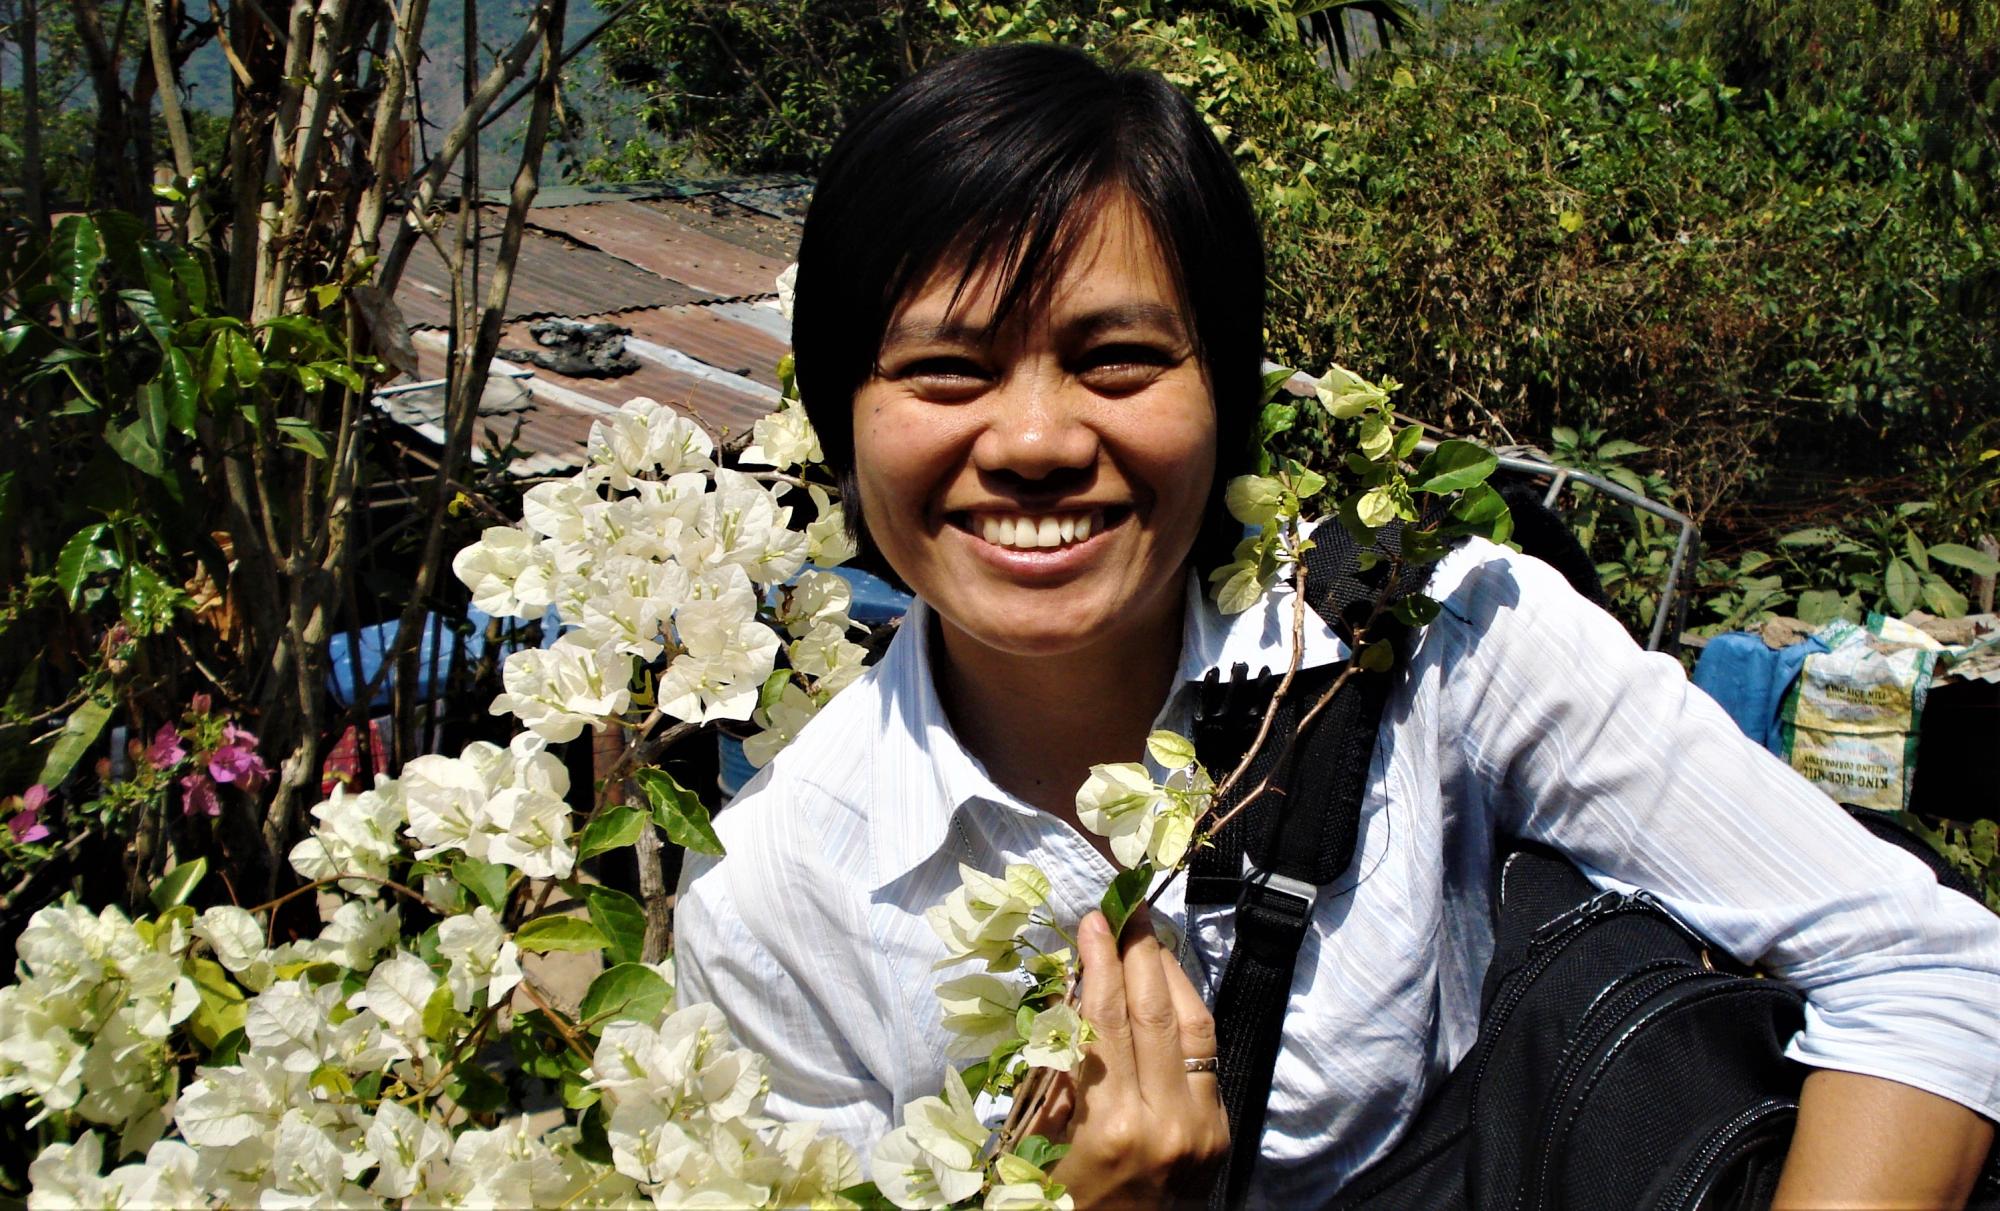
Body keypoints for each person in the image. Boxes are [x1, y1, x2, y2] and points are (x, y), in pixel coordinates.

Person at [674, 42, 2000, 1208]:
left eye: (1119, 360)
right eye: (947, 371)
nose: (1032, 440)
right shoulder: (776, 907)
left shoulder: (1429, 640)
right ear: (844, 423)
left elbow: (1935, 972)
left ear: (1228, 395)